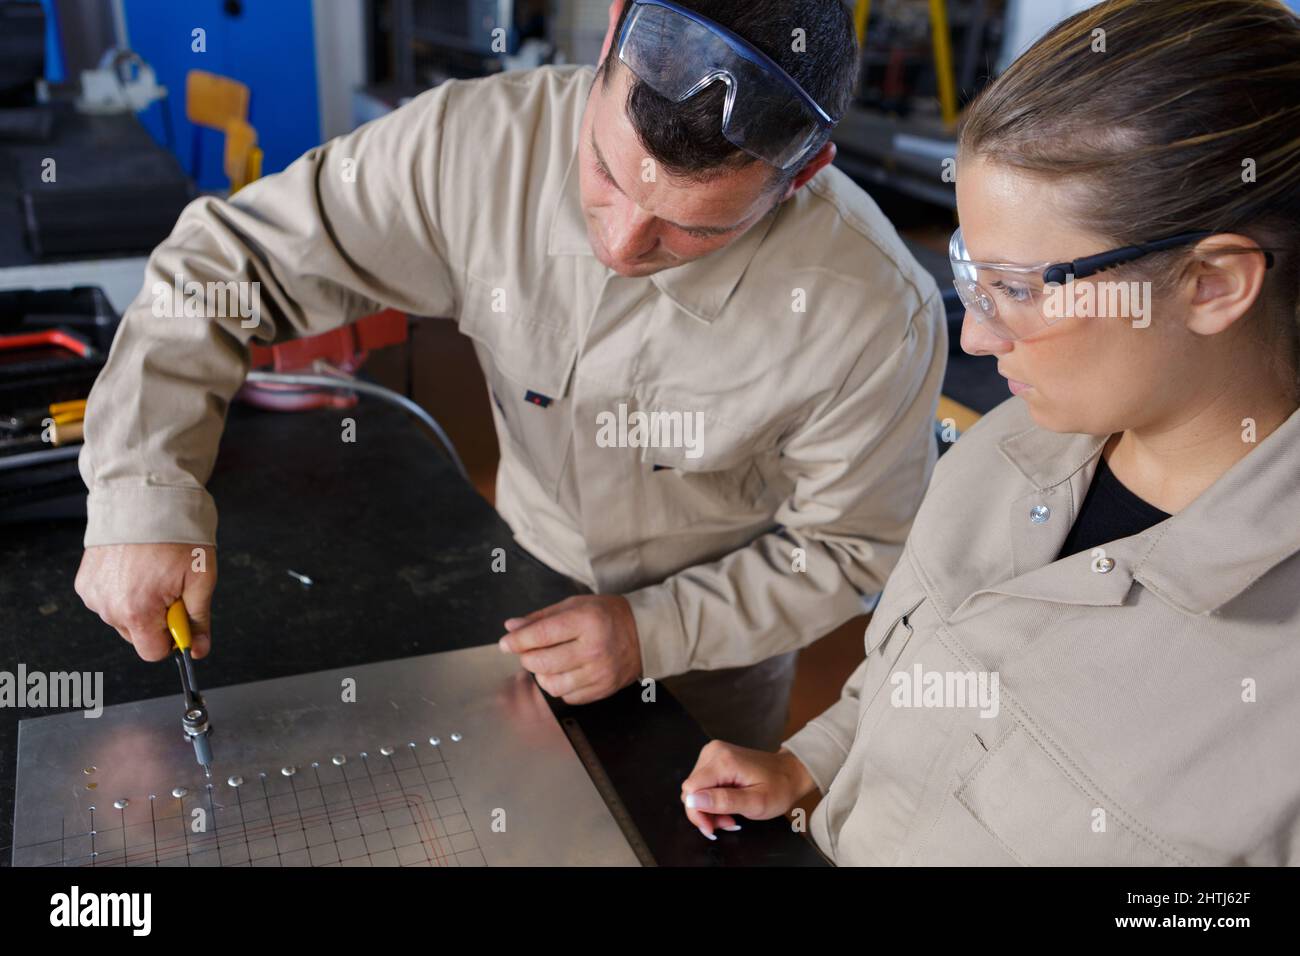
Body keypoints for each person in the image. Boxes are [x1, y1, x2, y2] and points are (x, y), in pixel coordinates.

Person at [73, 0, 947, 750]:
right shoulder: (474, 146)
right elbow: (227, 261)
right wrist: (141, 491)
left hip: (717, 658)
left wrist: (655, 632)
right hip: (522, 581)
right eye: (605, 172)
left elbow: (850, 546)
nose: (619, 244)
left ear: (803, 176)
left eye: (694, 230)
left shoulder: (874, 312)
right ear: (610, 36)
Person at [680, 0, 1300, 862]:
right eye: (973, 272)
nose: (975, 335)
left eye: (1019, 287)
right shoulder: (1005, 447)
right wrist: (815, 762)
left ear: (1212, 284)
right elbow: (916, 673)